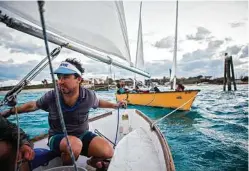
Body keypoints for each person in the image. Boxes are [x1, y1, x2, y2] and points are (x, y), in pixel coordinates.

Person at [0, 58, 126, 170]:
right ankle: (66, 168)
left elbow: (98, 103)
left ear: (78, 79)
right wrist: (11, 111)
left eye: (65, 77)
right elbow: (33, 105)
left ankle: (92, 162)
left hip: (82, 134)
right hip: (57, 137)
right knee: (74, 145)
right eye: (59, 78)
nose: (60, 82)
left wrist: (115, 105)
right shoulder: (52, 96)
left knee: (108, 151)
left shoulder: (88, 96)